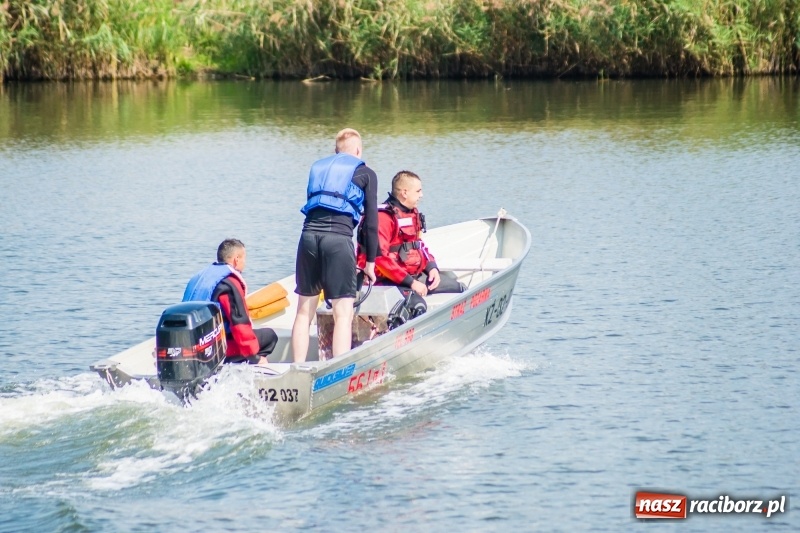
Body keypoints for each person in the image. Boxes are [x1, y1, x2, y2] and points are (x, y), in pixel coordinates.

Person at [291, 128, 379, 362]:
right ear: (358, 151)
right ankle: (339, 369)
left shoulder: (318, 168)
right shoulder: (366, 173)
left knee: (303, 311)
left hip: (308, 237)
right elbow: (370, 224)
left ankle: (297, 368)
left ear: (335, 151)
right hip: (338, 240)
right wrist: (370, 263)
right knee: (343, 313)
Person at [358, 170, 465, 297]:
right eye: (418, 191)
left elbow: (419, 245)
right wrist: (411, 283)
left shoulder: (412, 213)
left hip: (413, 276)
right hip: (387, 283)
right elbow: (381, 259)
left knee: (461, 289)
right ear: (404, 193)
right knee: (417, 307)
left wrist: (432, 267)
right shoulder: (382, 218)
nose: (422, 195)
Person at [182, 238, 277, 365]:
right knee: (269, 337)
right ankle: (247, 370)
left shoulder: (199, 277)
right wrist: (255, 358)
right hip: (209, 351)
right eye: (244, 258)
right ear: (236, 259)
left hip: (187, 347)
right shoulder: (229, 283)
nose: (245, 263)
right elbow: (239, 324)